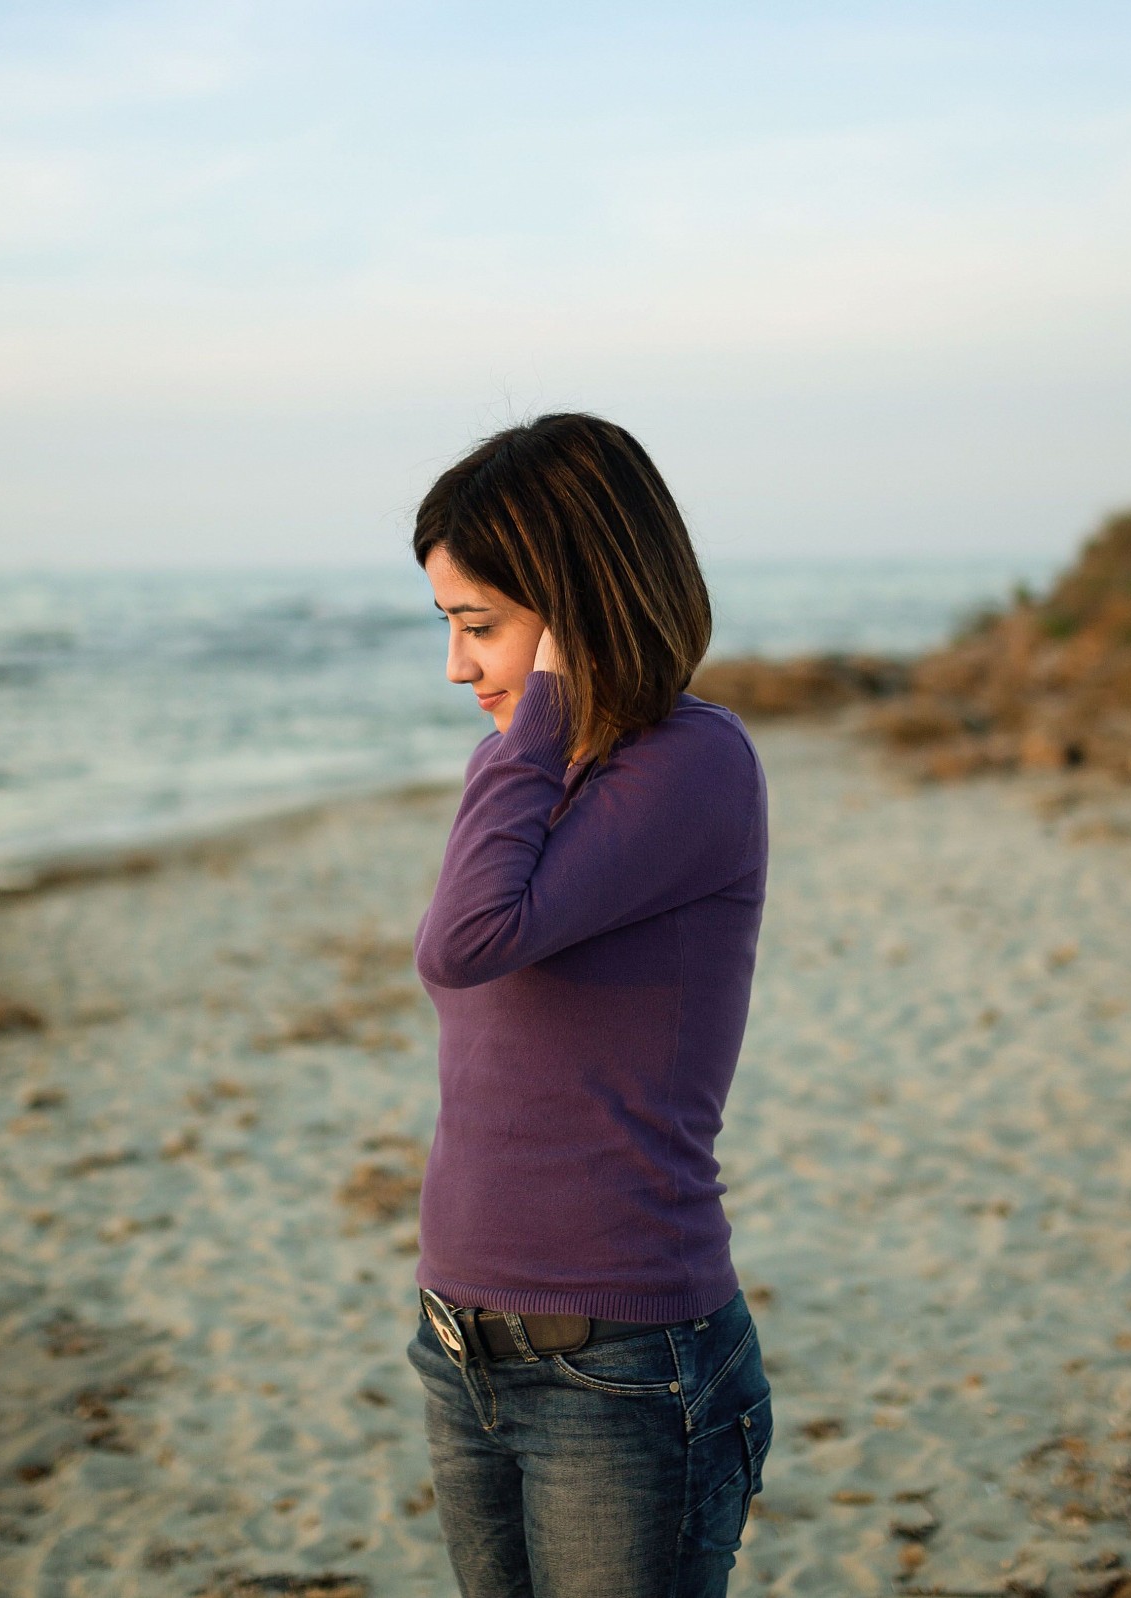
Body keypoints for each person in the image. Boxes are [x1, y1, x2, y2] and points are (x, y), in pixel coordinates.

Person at [405, 412, 772, 1597]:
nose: (458, 667)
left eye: (481, 626)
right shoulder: (523, 763)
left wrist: (548, 706)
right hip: (462, 1345)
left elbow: (466, 941)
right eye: (450, 626)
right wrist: (535, 723)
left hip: (620, 1364)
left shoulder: (694, 762)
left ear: (575, 609)